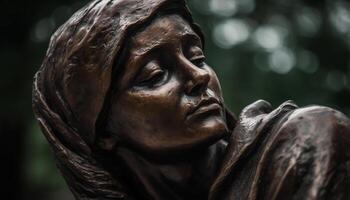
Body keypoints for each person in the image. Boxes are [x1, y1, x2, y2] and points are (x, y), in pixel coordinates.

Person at [32, 0, 350, 199]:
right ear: (101, 131)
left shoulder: (303, 142)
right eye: (156, 75)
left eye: (196, 57)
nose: (199, 77)